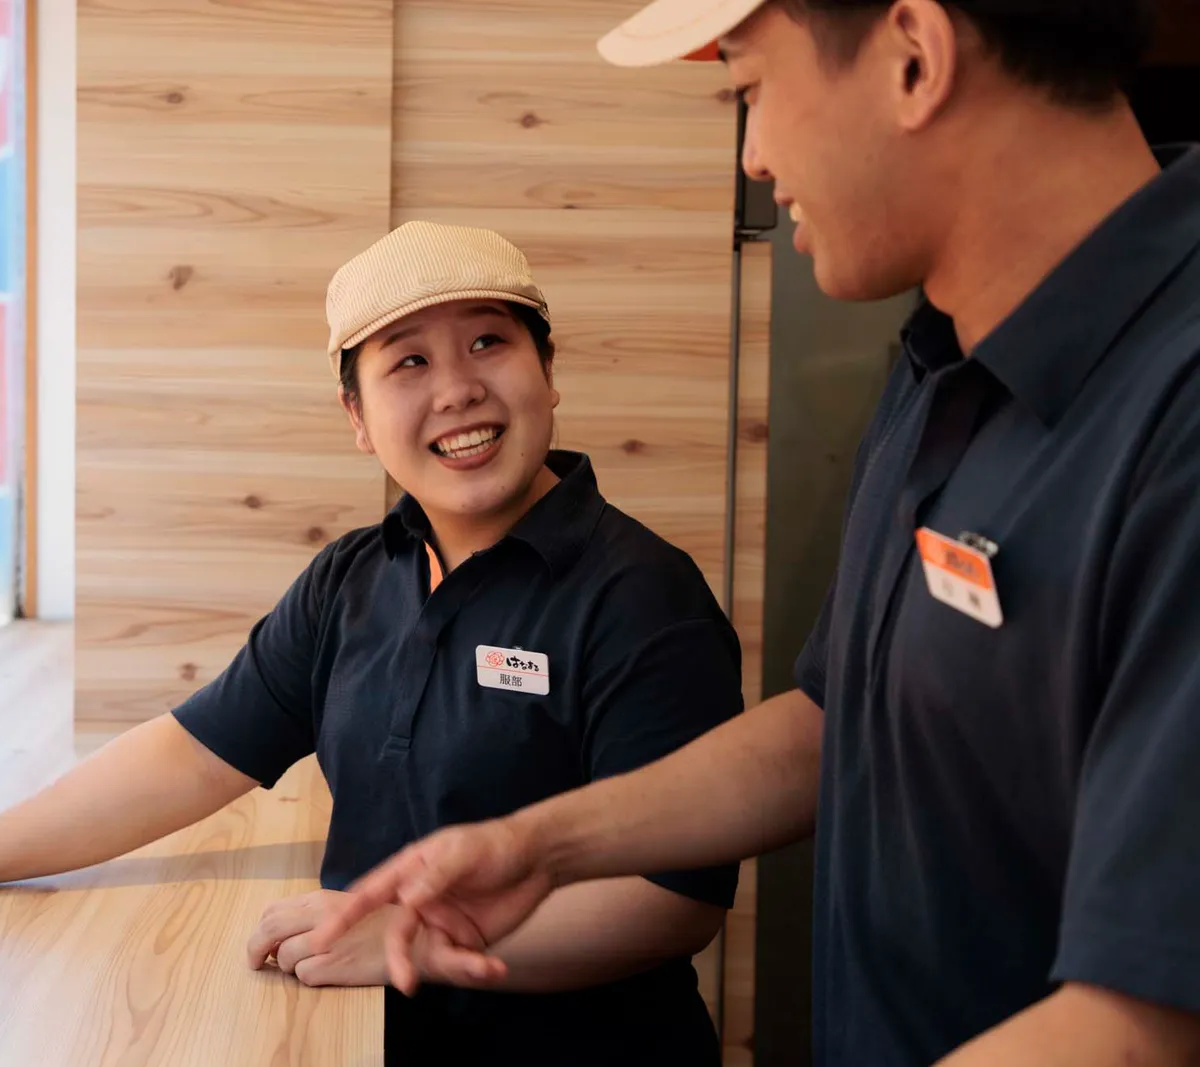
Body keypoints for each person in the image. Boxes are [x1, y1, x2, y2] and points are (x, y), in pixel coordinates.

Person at [309, 3, 1200, 1066]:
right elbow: (833, 722)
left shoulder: (1174, 419)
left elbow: (1142, 1018)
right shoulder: (937, 365)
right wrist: (538, 842)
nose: (757, 157)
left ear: (913, 57)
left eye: (749, 92)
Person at [0, 221, 747, 1065]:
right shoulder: (354, 580)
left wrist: (412, 940)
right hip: (350, 1032)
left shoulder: (643, 595)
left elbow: (675, 900)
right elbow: (190, 755)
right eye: (408, 362)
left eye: (488, 341)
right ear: (357, 417)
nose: (458, 387)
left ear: (548, 370)